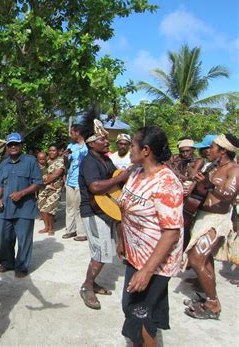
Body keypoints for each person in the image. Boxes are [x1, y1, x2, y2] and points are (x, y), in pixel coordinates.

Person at [117, 125, 183, 346]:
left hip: (156, 262)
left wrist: (147, 271)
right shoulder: (136, 173)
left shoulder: (166, 183)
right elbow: (125, 208)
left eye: (133, 145)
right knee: (138, 310)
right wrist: (121, 240)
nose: (129, 150)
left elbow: (171, 232)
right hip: (135, 255)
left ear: (145, 150)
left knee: (138, 314)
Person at [183, 134, 238, 320]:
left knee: (196, 258)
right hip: (202, 216)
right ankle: (207, 294)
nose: (208, 150)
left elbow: (229, 195)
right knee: (205, 259)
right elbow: (201, 190)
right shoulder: (213, 166)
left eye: (212, 147)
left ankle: (213, 304)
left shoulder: (234, 169)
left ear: (223, 150)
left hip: (217, 220)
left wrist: (210, 184)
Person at [78, 115, 130, 310]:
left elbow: (117, 176)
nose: (107, 142)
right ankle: (87, 286)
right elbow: (95, 186)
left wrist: (126, 174)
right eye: (102, 139)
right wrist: (120, 179)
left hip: (105, 209)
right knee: (100, 253)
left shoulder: (106, 160)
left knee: (103, 251)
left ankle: (92, 283)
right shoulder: (89, 161)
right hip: (92, 211)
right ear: (92, 144)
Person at [0, 132, 43, 277]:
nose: (13, 147)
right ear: (7, 147)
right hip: (5, 208)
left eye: (16, 144)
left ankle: (21, 267)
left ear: (21, 145)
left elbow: (38, 183)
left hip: (25, 208)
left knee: (24, 239)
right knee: (4, 238)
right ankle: (7, 263)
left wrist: (21, 193)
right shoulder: (3, 163)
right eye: (10, 144)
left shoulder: (30, 161)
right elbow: (0, 184)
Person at [63, 123, 88, 241]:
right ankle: (70, 230)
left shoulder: (86, 147)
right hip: (70, 181)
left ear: (77, 133)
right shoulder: (70, 146)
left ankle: (81, 233)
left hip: (80, 181)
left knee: (79, 207)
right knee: (69, 206)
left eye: (71, 132)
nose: (70, 135)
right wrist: (65, 157)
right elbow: (67, 165)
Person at [38, 144, 65, 236]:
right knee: (42, 207)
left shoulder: (60, 161)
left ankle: (51, 228)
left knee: (50, 208)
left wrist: (41, 181)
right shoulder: (46, 160)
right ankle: (46, 227)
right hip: (42, 188)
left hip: (55, 188)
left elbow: (55, 175)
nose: (51, 152)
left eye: (54, 150)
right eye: (50, 150)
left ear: (57, 151)